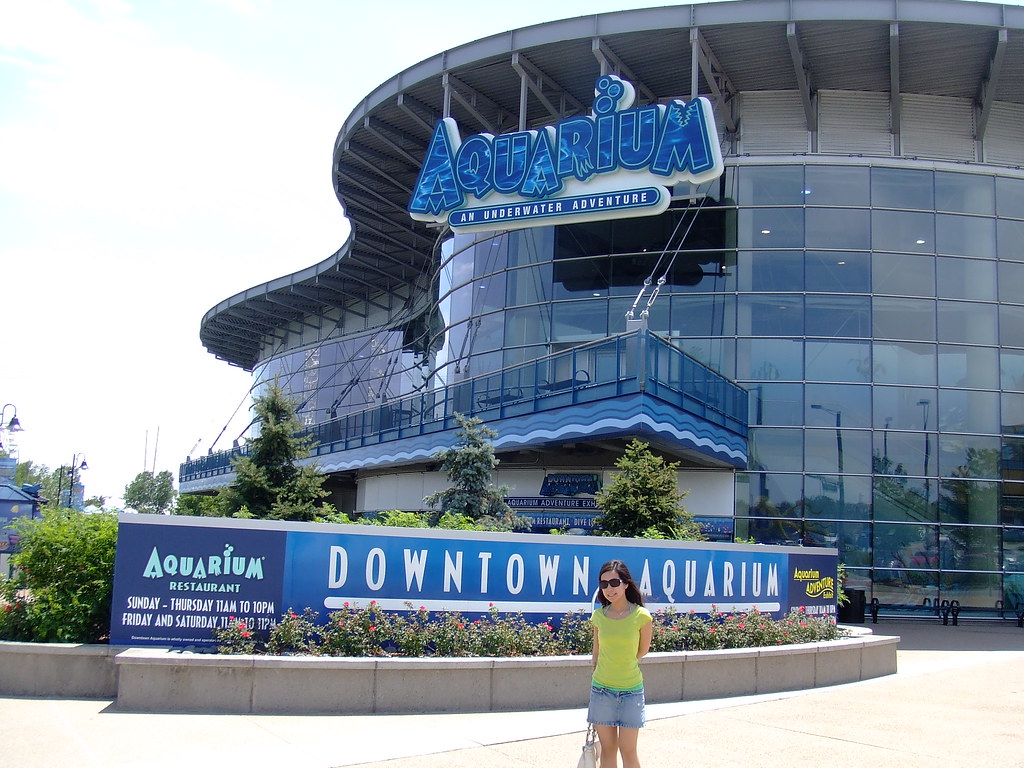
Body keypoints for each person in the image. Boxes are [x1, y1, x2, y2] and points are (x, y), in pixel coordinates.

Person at [588, 559, 653, 768]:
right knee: (608, 750)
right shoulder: (599, 616)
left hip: (631, 692)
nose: (609, 588)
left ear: (625, 584)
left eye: (614, 583)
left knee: (628, 750)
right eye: (604, 584)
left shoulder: (642, 616)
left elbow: (642, 651)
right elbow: (596, 652)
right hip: (601, 692)